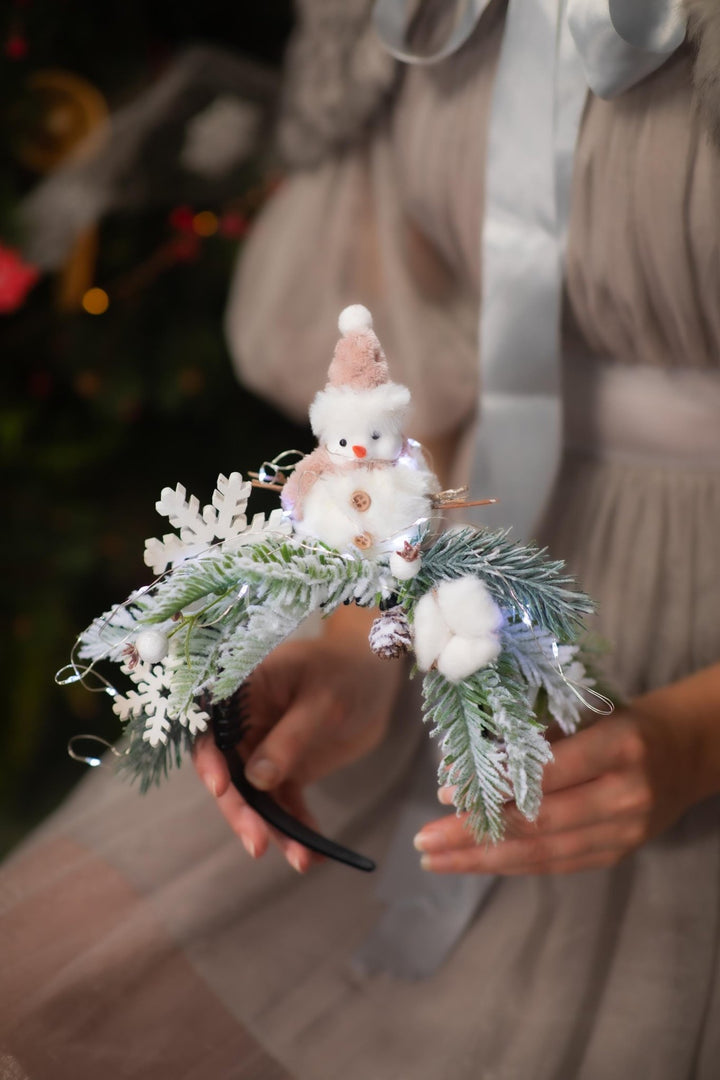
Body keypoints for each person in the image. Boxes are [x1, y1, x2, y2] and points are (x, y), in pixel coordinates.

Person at [3, 2, 720, 1077]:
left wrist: (694, 741)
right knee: (55, 984)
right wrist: (360, 640)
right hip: (452, 580)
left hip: (689, 660)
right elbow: (428, 363)